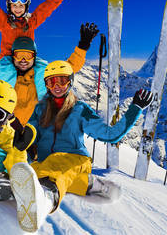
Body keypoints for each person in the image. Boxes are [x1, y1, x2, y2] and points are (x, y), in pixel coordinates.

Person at [9, 60, 153, 232]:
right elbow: (32, 135)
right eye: (51, 81)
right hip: (47, 162)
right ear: (46, 84)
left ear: (70, 81)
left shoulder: (79, 110)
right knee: (38, 170)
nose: (57, 86)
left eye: (62, 81)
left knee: (54, 168)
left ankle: (46, 199)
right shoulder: (40, 109)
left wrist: (135, 108)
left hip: (75, 159)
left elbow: (110, 134)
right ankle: (90, 184)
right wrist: (23, 140)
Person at [0, 21, 98, 124]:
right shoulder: (0, 70)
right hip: (5, 127)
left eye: (28, 55)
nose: (23, 60)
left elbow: (69, 67)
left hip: (34, 129)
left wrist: (82, 46)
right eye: (19, 55)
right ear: (13, 56)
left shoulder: (43, 73)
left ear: (34, 57)